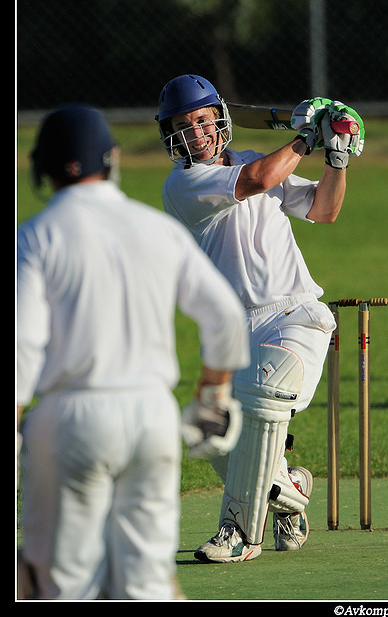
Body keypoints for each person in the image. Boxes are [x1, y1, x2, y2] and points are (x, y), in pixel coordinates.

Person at [16, 104, 250, 600]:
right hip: (153, 418)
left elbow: (21, 343)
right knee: (147, 585)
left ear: (42, 170)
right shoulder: (155, 227)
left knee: (64, 583)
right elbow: (225, 316)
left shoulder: (35, 237)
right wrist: (213, 396)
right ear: (113, 160)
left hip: (70, 419)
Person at [156, 74, 364, 563]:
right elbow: (256, 183)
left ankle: (237, 534)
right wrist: (305, 138)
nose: (198, 133)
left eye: (204, 120)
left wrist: (336, 159)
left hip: (295, 314)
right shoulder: (183, 184)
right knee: (213, 438)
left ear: (220, 120)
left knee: (266, 399)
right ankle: (289, 491)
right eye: (184, 126)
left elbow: (324, 209)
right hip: (236, 330)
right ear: (171, 136)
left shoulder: (254, 160)